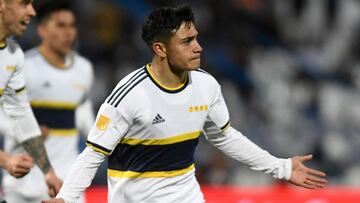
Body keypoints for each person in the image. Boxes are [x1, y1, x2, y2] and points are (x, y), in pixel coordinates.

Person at [44, 5, 327, 203]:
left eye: (197, 39)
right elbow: (93, 154)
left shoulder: (206, 85)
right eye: (187, 41)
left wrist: (282, 167)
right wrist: (66, 198)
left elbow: (225, 137)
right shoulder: (129, 95)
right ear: (160, 49)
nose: (198, 47)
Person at [2, 1, 94, 203]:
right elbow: (7, 116)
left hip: (64, 179)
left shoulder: (84, 69)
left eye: (72, 26)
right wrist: (10, 151)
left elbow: (84, 116)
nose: (69, 33)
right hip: (22, 182)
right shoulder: (26, 64)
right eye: (61, 26)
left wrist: (48, 172)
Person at [0, 0, 62, 198]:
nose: (32, 12)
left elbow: (21, 114)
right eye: (24, 3)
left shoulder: (13, 55)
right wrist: (5, 159)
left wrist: (48, 172)